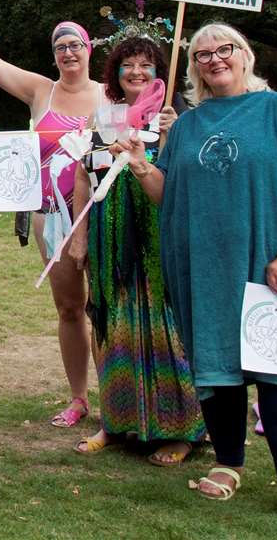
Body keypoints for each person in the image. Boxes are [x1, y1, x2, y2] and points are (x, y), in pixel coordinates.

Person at [120, 23, 277, 529]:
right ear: (193, 67)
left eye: (224, 49)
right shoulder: (187, 126)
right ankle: (228, 462)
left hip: (271, 268)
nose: (214, 59)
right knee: (219, 373)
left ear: (245, 55)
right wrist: (142, 167)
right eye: (203, 54)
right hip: (208, 271)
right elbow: (174, 200)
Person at [0, 0, 101, 427]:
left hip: (98, 215)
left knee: (108, 308)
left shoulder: (109, 95)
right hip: (50, 217)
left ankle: (119, 397)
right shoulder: (42, 92)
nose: (68, 53)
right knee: (69, 308)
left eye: (74, 44)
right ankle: (79, 398)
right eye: (60, 47)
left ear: (88, 49)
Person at [68, 34, 204, 462]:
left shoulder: (175, 117)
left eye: (146, 65)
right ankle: (116, 421)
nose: (137, 72)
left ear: (159, 72)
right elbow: (81, 177)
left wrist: (174, 133)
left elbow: (190, 177)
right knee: (113, 321)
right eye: (128, 65)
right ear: (116, 72)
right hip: (110, 234)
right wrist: (80, 234)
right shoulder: (102, 116)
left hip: (157, 234)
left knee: (165, 326)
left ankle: (181, 430)